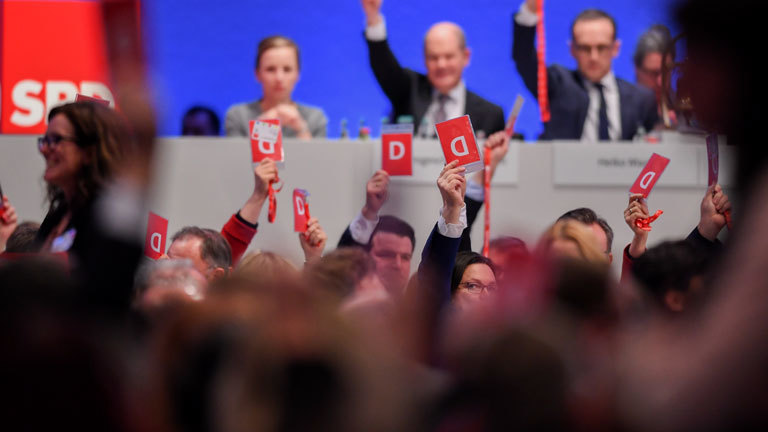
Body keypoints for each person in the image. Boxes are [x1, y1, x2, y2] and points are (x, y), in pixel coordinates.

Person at [512, 1, 658, 140]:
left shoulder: (642, 99)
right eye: (585, 48)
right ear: (572, 49)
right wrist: (531, 9)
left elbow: (658, 153)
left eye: (601, 48)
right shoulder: (557, 85)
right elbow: (524, 58)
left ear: (615, 48)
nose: (593, 57)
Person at [360, 0, 505, 137]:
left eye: (449, 57)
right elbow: (384, 67)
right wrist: (373, 17)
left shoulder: (491, 115)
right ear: (424, 59)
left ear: (466, 57)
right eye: (433, 57)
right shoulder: (408, 90)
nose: (441, 65)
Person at [225, 36, 327, 138]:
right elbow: (238, 154)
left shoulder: (314, 118)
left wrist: (301, 128)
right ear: (257, 74)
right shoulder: (238, 116)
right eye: (270, 69)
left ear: (297, 74)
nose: (279, 78)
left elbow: (315, 154)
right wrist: (265, 124)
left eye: (287, 69)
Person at [633, 25, 675, 116]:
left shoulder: (689, 110)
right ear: (636, 69)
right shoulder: (619, 113)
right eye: (653, 73)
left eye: (666, 72)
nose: (660, 81)